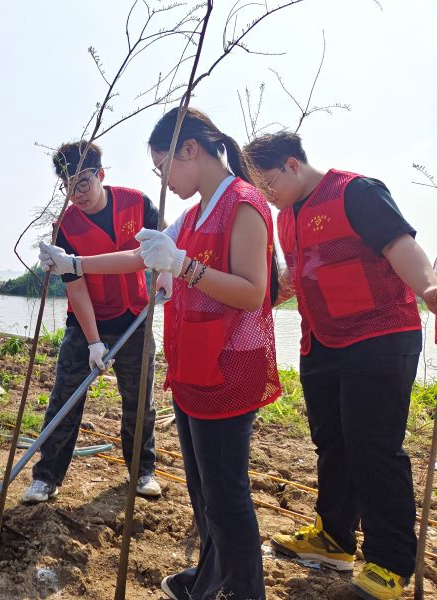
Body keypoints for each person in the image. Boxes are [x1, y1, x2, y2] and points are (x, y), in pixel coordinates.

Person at [40, 108, 281, 600]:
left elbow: (253, 292)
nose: (164, 182)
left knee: (227, 494)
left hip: (230, 367)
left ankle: (244, 591)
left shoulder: (243, 203)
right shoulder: (194, 214)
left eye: (163, 167)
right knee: (203, 490)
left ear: (190, 150)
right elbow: (137, 257)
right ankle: (210, 578)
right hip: (195, 365)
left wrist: (184, 267)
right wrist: (74, 263)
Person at [244, 132, 437, 600]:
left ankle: (391, 564)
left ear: (292, 164)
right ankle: (333, 538)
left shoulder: (356, 192)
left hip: (379, 336)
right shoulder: (285, 216)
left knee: (374, 447)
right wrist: (249, 300)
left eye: (268, 183)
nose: (267, 195)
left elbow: (400, 245)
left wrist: (429, 289)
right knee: (332, 442)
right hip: (321, 342)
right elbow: (296, 274)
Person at [21, 141, 163, 504]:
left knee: (140, 401)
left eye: (83, 183)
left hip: (135, 316)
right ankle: (46, 477)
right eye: (68, 187)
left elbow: (161, 245)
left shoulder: (137, 203)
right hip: (85, 321)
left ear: (100, 174)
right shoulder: (65, 226)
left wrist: (166, 273)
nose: (77, 194)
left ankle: (142, 470)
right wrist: (94, 341)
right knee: (65, 398)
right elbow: (76, 286)